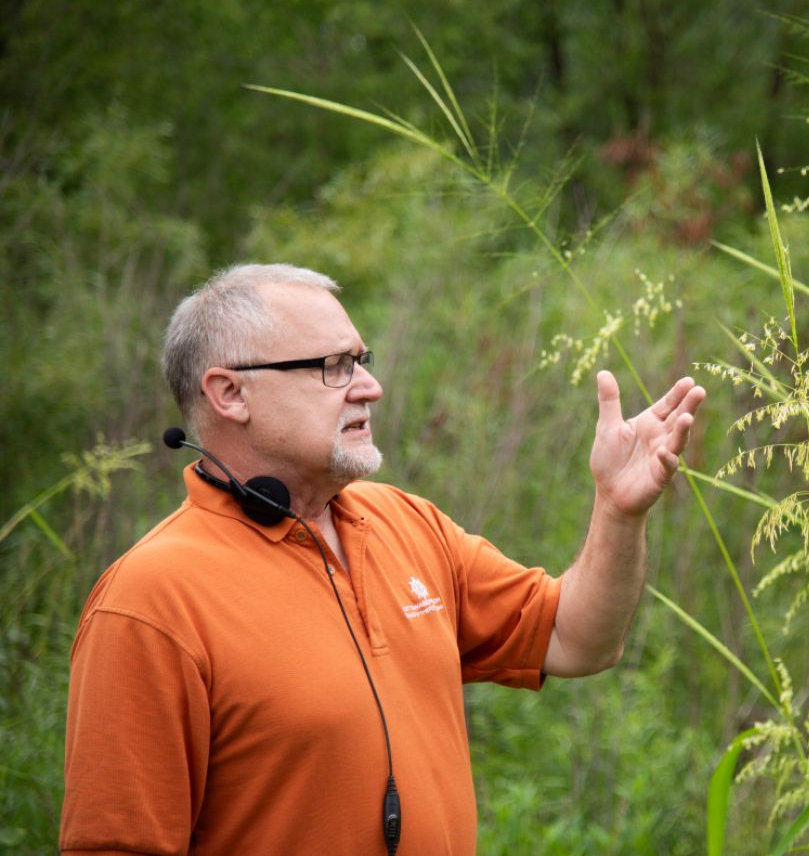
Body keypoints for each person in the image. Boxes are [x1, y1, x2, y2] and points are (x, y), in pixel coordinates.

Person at [60, 263, 705, 855]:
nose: (370, 385)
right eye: (333, 365)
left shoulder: (407, 523)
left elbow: (577, 639)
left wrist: (619, 512)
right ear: (230, 394)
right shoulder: (149, 601)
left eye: (361, 359)